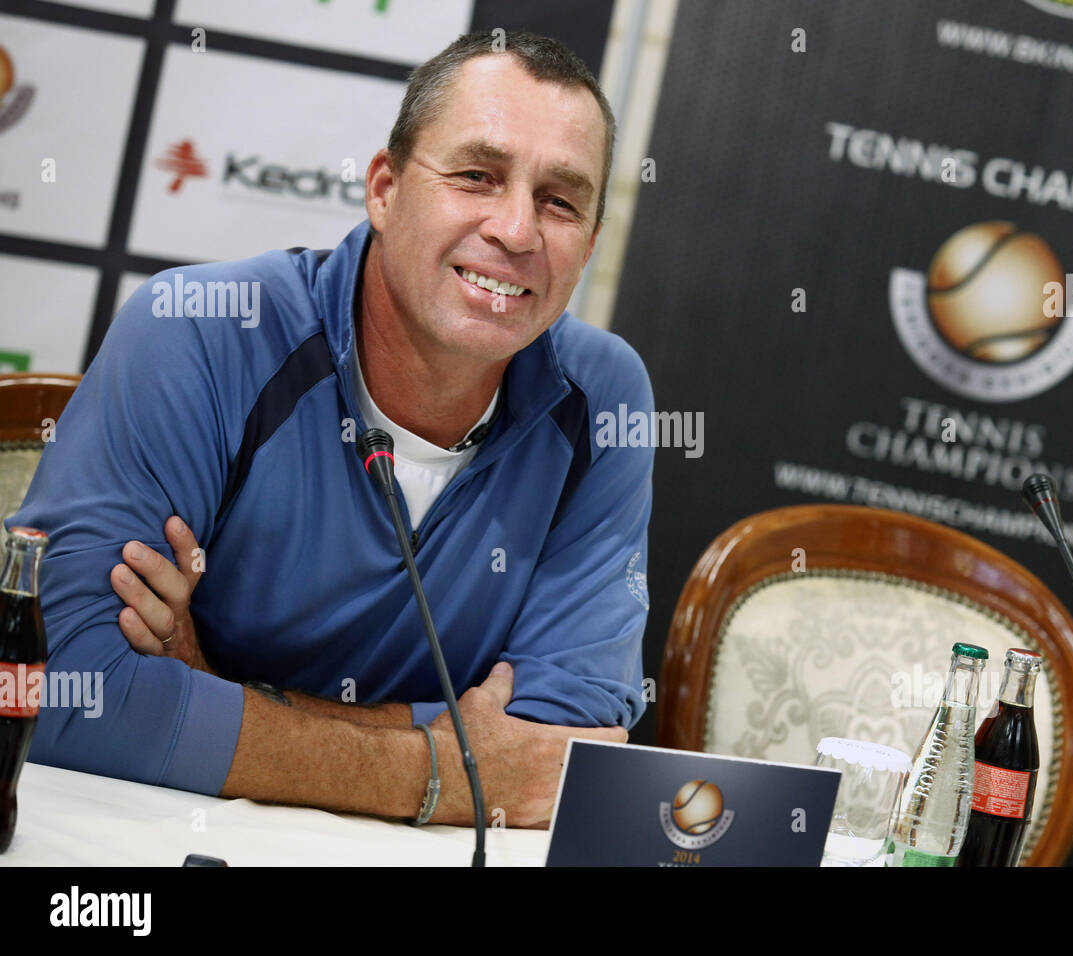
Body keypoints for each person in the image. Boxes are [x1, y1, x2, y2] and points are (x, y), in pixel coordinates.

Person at [7, 31, 653, 828]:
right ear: (384, 189)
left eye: (560, 201)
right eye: (477, 176)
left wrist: (208, 695)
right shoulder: (199, 333)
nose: (517, 231)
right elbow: (57, 684)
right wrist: (442, 771)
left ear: (588, 245)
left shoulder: (605, 395)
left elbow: (559, 752)